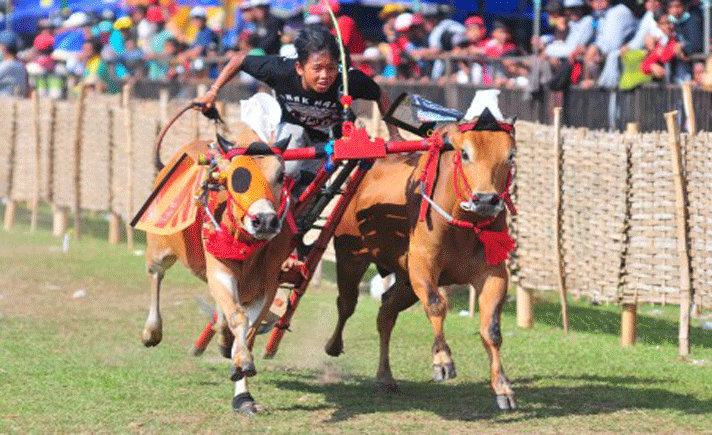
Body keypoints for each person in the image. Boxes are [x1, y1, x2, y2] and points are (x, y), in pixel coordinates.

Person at [194, 25, 402, 188]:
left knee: (309, 188)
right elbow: (238, 59)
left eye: (331, 68)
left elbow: (381, 95)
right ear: (299, 68)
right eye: (317, 68)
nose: (325, 76)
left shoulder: (348, 80)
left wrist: (395, 134)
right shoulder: (281, 70)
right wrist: (212, 92)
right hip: (292, 129)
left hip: (327, 140)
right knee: (289, 170)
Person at [0, 32, 28, 97]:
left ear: (4, 48)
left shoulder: (6, 66)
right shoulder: (21, 65)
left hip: (4, 103)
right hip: (17, 102)